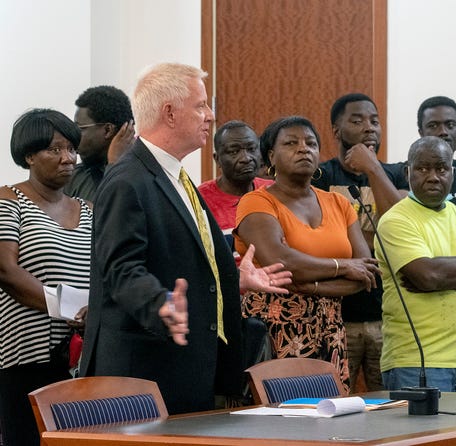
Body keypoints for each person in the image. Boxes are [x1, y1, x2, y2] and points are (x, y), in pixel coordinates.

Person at [79, 63, 292, 414]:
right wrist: (159, 302)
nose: (210, 115)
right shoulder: (127, 181)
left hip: (186, 367)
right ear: (170, 113)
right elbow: (119, 269)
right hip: (145, 374)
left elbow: (177, 258)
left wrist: (233, 280)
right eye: (201, 105)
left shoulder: (174, 176)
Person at [235, 115, 380, 390]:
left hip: (331, 328)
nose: (304, 148)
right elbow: (280, 260)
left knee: (329, 418)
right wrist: (342, 266)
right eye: (291, 143)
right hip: (274, 326)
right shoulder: (256, 201)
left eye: (311, 143)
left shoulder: (339, 202)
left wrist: (311, 285)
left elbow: (364, 273)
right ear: (271, 157)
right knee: (278, 419)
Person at [376, 136, 456, 392]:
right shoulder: (395, 220)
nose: (433, 176)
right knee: (421, 435)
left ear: (452, 173)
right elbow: (428, 276)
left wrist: (440, 280)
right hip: (415, 363)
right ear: (407, 172)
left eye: (441, 168)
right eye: (423, 168)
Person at [0, 109, 90, 446]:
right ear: (28, 156)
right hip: (29, 356)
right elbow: (6, 272)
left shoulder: (90, 209)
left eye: (71, 149)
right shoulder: (8, 200)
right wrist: (71, 311)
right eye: (54, 150)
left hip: (84, 358)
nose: (67, 158)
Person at [312, 93, 407, 393]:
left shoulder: (395, 174)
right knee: (335, 402)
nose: (369, 128)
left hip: (387, 319)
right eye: (357, 121)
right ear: (337, 130)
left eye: (375, 121)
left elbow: (401, 228)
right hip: (338, 318)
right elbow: (322, 240)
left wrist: (373, 168)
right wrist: (368, 238)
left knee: (390, 406)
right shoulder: (320, 176)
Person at [198, 120, 273, 263]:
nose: (246, 158)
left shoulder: (273, 191)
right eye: (234, 152)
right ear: (217, 159)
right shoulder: (199, 200)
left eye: (251, 149)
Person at [65, 85, 135, 201]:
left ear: (108, 130)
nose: (73, 136)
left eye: (79, 128)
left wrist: (114, 165)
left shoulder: (141, 173)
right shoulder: (73, 177)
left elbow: (113, 210)